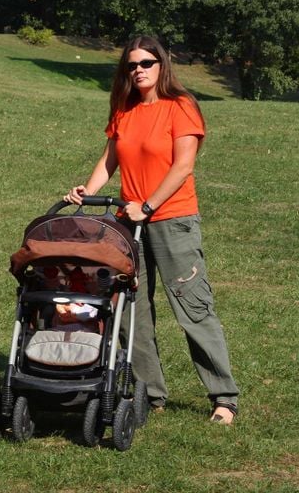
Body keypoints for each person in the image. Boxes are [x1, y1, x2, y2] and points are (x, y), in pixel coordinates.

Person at [65, 35, 240, 424]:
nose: (139, 70)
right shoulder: (125, 110)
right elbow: (109, 158)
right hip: (130, 224)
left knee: (192, 309)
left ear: (162, 65)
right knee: (131, 311)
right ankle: (150, 393)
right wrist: (86, 191)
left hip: (172, 220)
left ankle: (224, 397)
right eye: (132, 65)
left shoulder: (181, 106)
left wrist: (148, 206)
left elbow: (182, 167)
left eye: (146, 63)